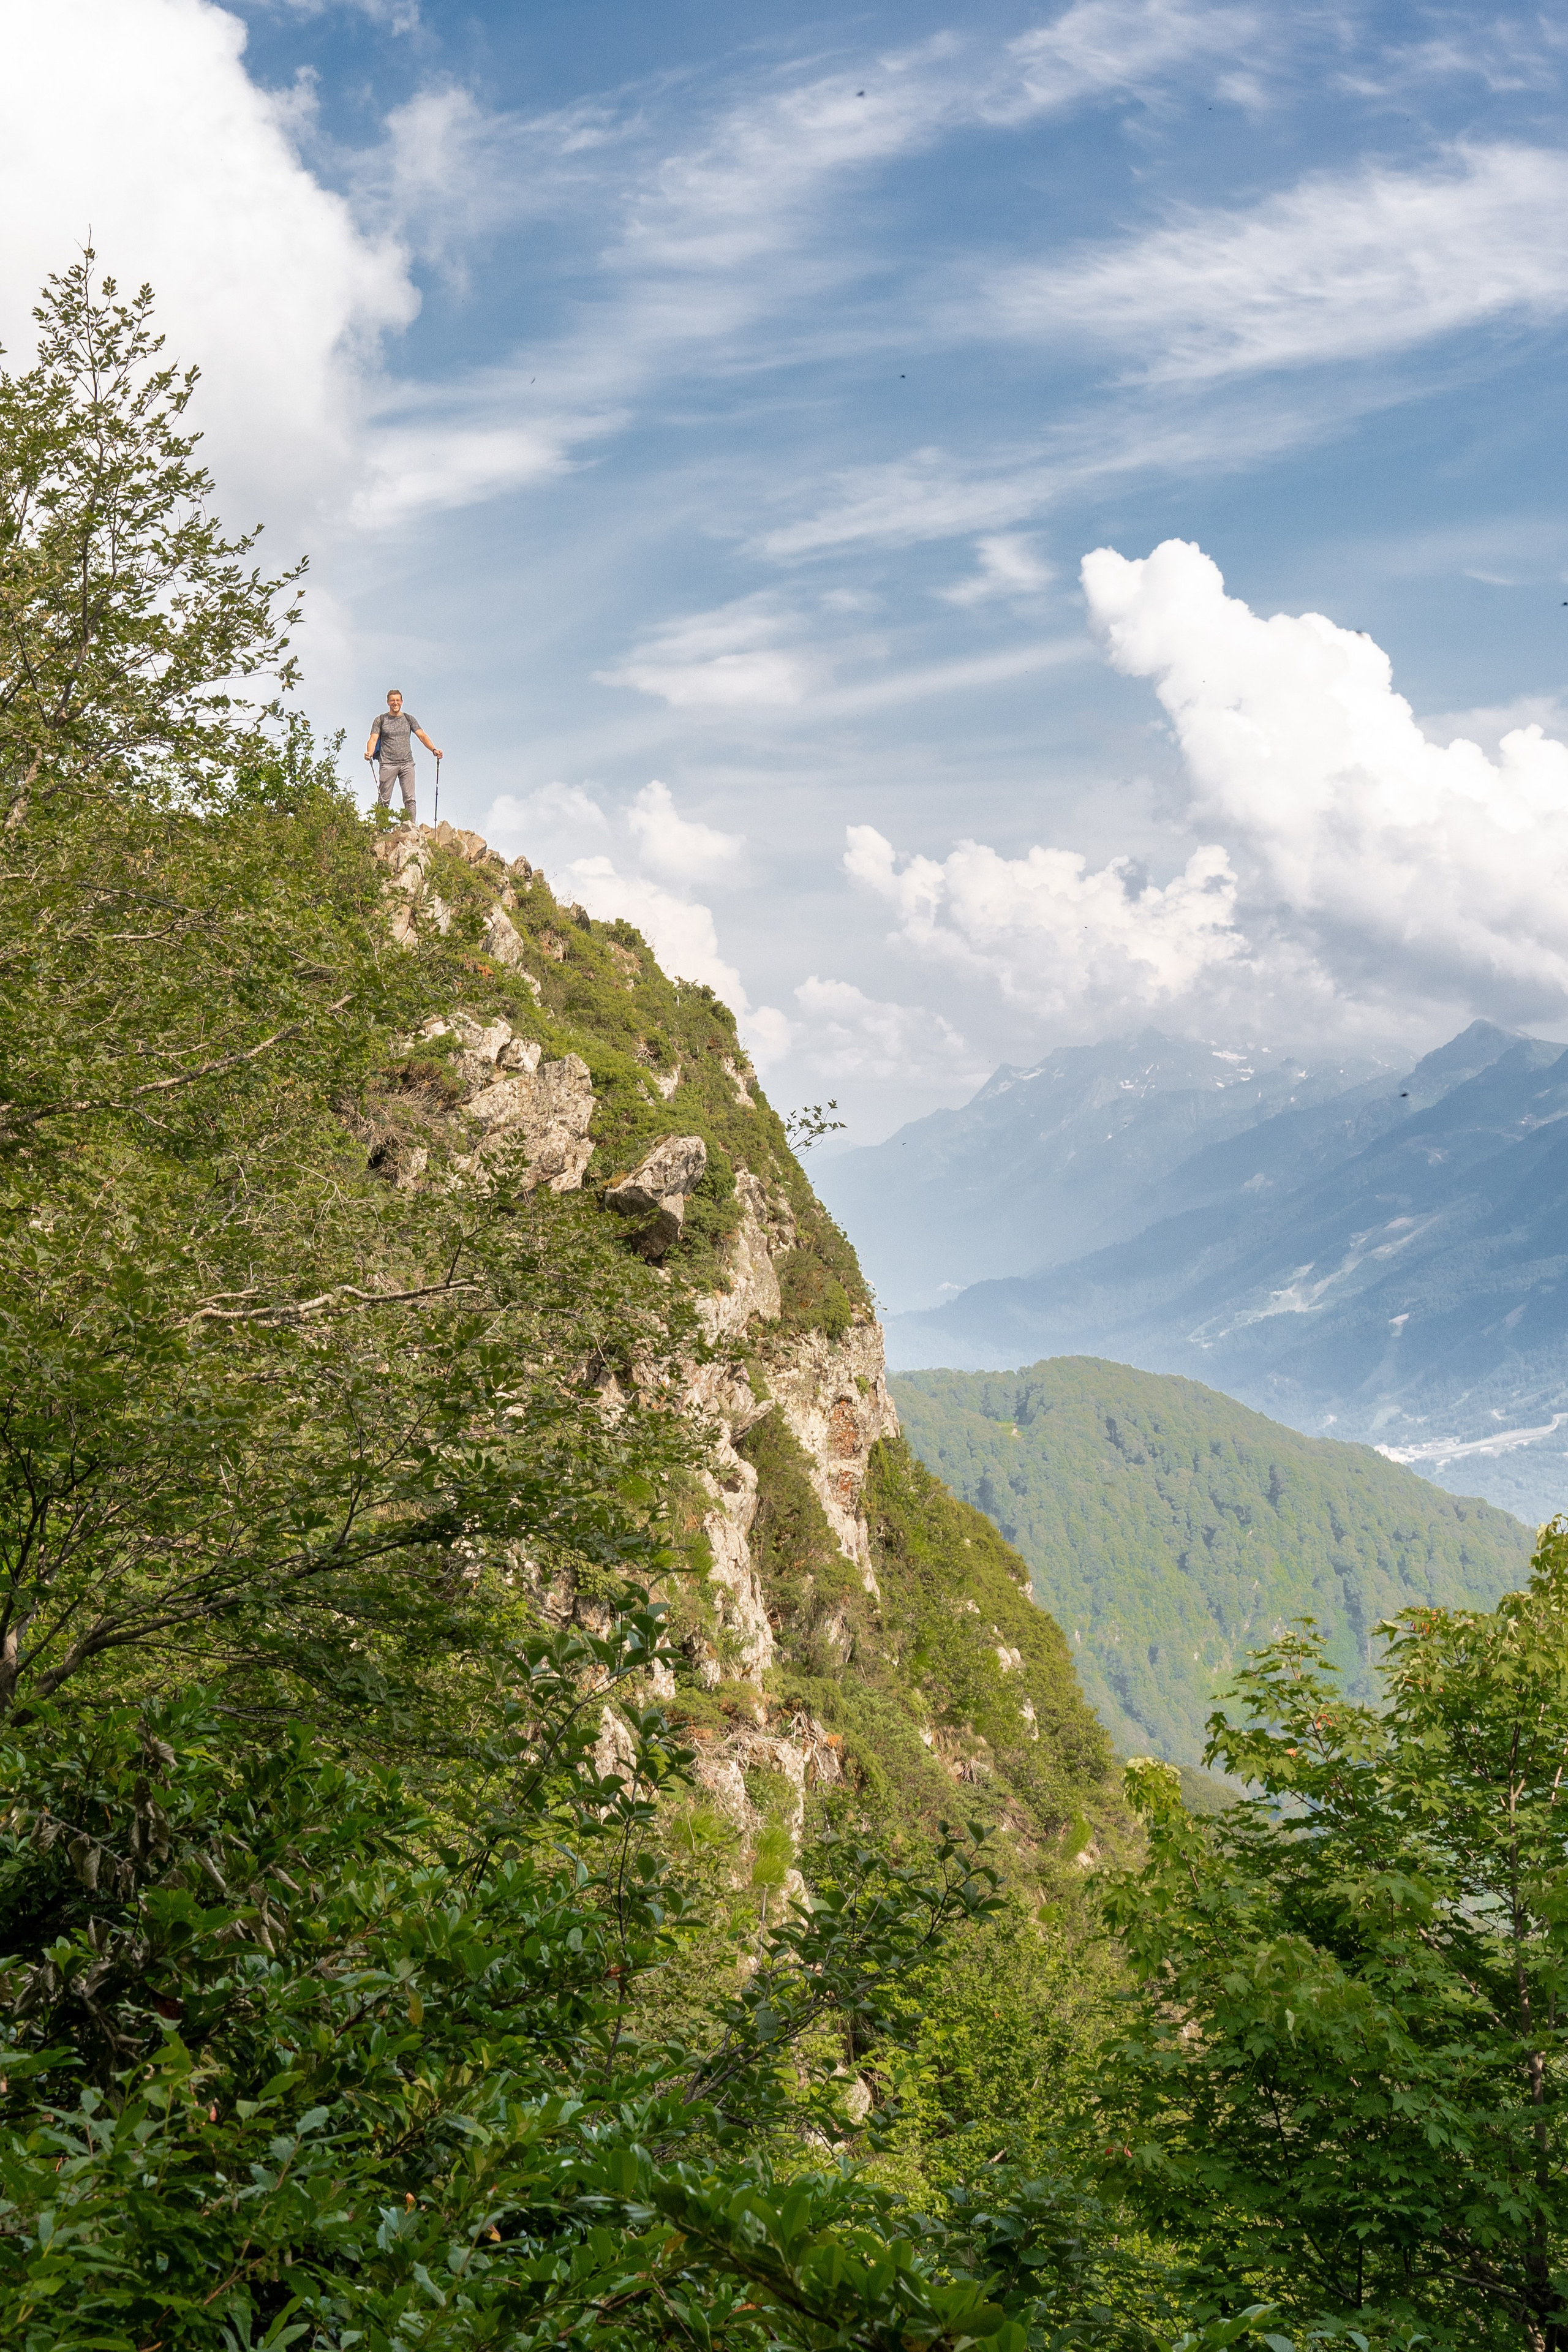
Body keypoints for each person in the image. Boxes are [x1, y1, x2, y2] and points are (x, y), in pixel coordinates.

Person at [365, 690, 443, 825]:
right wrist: (369, 753)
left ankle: (411, 828)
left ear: (401, 702)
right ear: (388, 702)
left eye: (398, 700)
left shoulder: (409, 719)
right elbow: (373, 739)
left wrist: (434, 750)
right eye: (392, 700)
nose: (395, 703)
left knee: (410, 799)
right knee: (384, 799)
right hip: (387, 764)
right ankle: (380, 829)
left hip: (407, 763)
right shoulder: (381, 720)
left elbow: (422, 736)